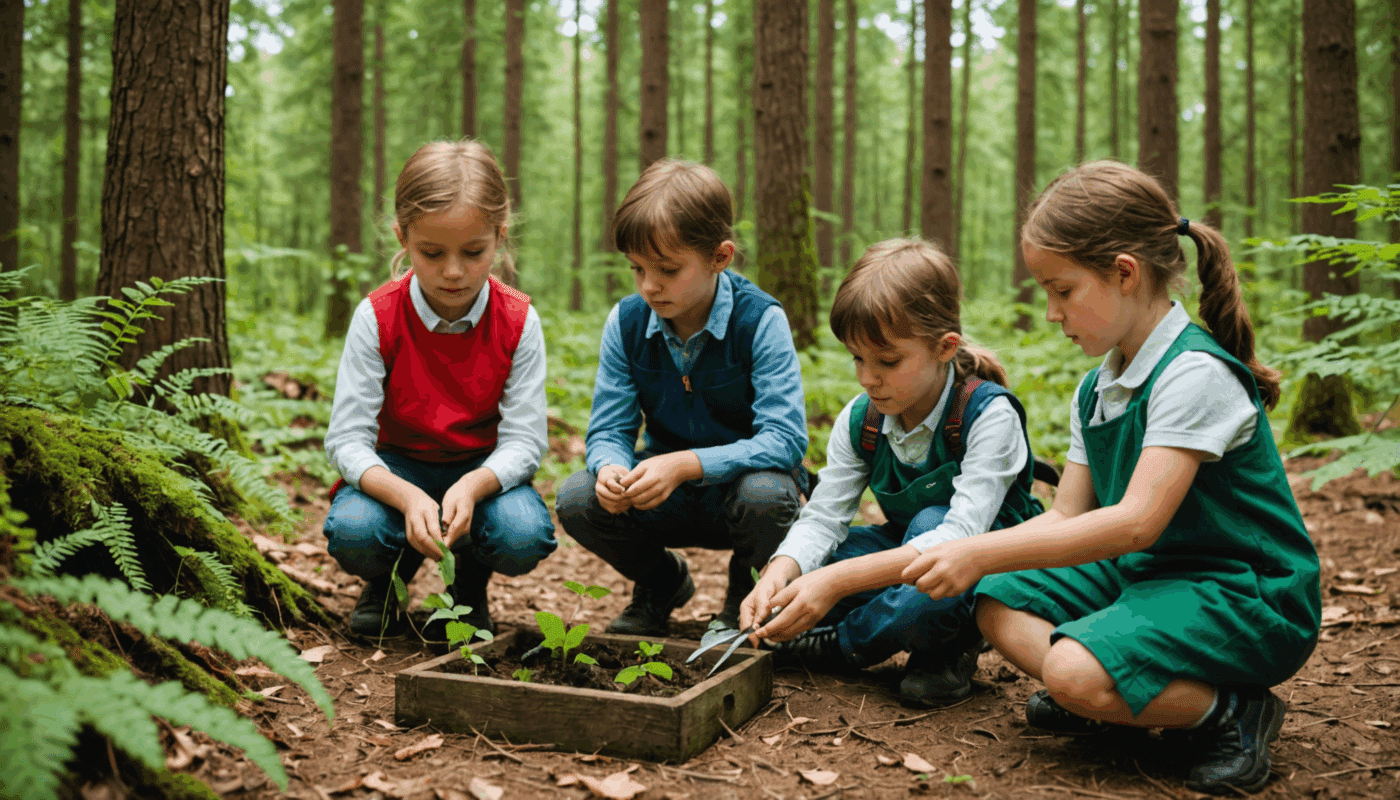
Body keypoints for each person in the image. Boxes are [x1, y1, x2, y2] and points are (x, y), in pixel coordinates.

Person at [901, 161, 1321, 795]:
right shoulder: (1098, 386)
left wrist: (974, 546)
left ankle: (1230, 711)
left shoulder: (1193, 374)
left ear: (1125, 273)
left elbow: (1134, 522)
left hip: (1244, 592)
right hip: (1152, 575)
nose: (1050, 313)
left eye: (1062, 290)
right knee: (999, 600)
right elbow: (1068, 515)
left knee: (1068, 673)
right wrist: (978, 559)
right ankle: (1119, 695)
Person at [738, 238, 1044, 709]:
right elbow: (823, 519)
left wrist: (836, 584)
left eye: (887, 361)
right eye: (857, 358)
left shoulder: (988, 415)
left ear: (945, 347)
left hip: (980, 565)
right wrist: (781, 574)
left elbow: (956, 537)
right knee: (819, 563)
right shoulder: (863, 418)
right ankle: (892, 629)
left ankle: (863, 646)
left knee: (922, 545)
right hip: (903, 555)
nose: (867, 378)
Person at [555, 159, 809, 638]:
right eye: (637, 269)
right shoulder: (628, 324)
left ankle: (744, 600)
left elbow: (786, 439)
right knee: (578, 497)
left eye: (669, 270)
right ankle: (660, 584)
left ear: (720, 257)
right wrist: (609, 466)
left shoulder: (760, 321)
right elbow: (610, 429)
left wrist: (689, 463)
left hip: (743, 493)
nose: (650, 285)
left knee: (768, 495)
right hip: (663, 492)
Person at [322, 140, 556, 647]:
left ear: (500, 236)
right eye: (432, 253)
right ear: (402, 237)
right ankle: (385, 585)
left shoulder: (518, 321)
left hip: (482, 471)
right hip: (397, 468)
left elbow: (524, 439)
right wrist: (405, 497)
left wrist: (473, 487)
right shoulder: (377, 316)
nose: (454, 271)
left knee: (523, 535)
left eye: (474, 252)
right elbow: (347, 439)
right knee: (354, 533)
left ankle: (469, 588)